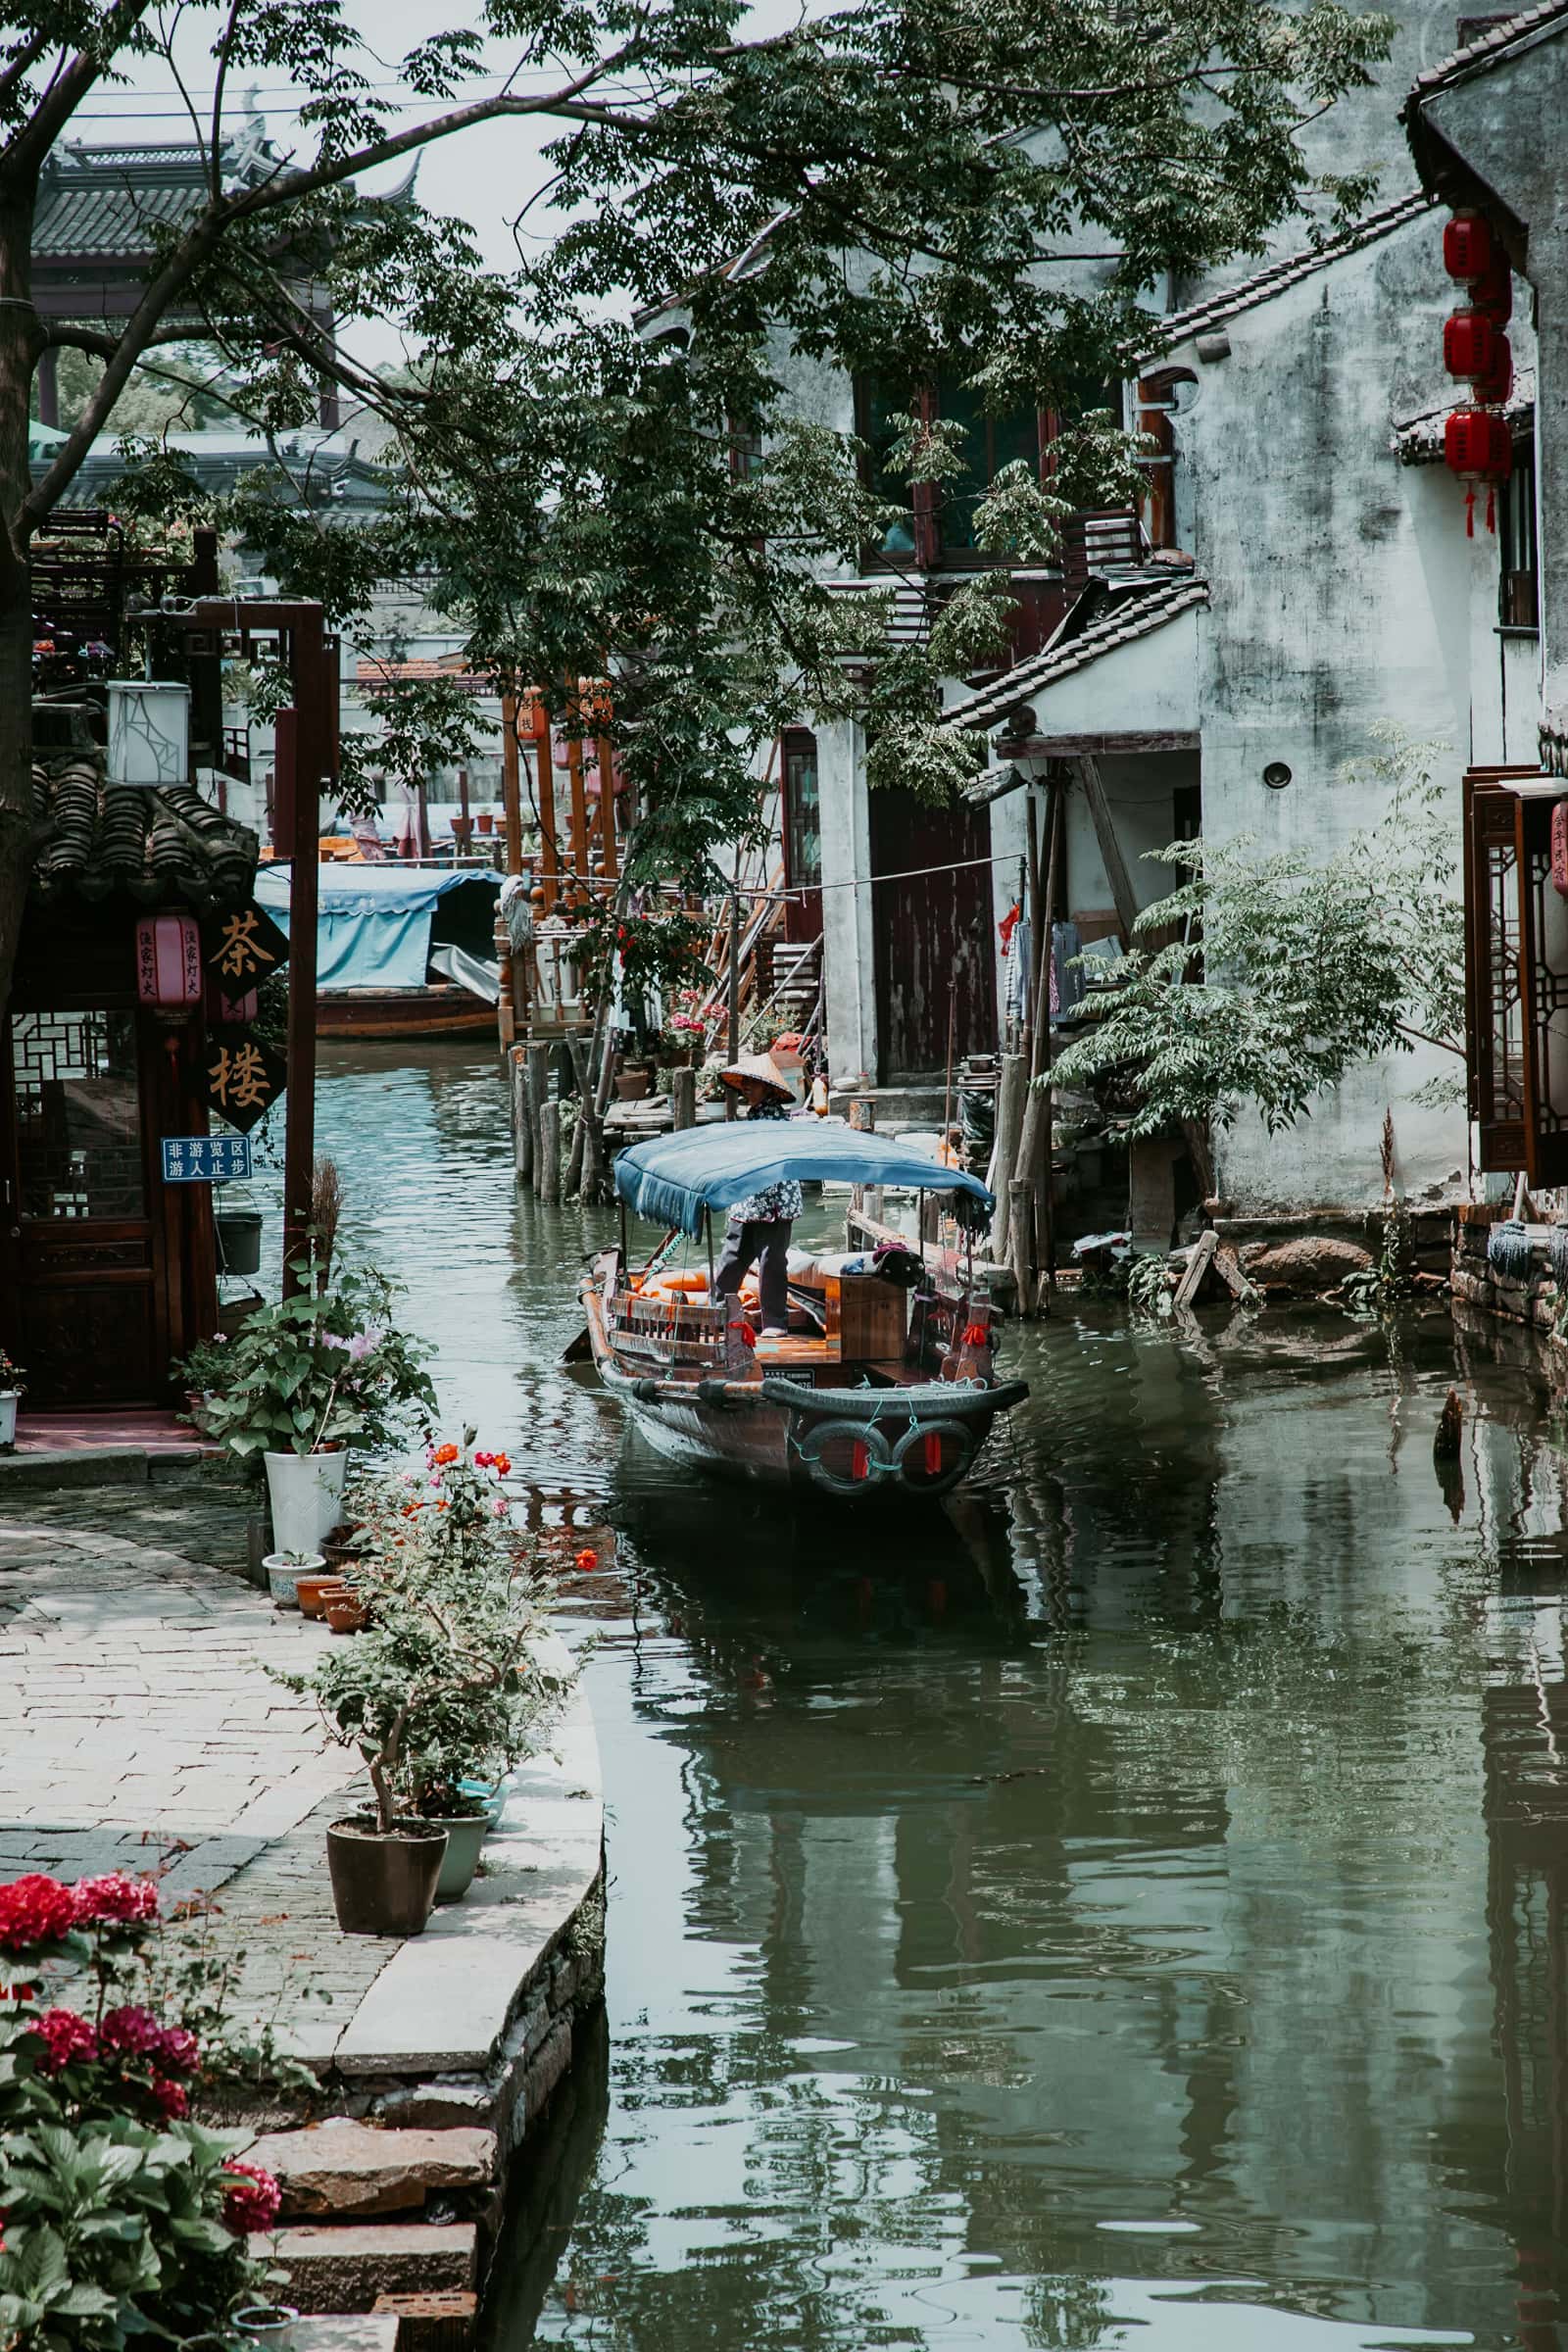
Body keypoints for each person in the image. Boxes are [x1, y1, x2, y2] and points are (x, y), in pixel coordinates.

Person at [712, 1052, 802, 1336]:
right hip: (747, 1202)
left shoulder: (775, 1119)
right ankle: (715, 1312)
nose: (746, 1087)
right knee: (732, 1257)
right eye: (745, 1083)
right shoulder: (752, 1117)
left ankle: (775, 1323)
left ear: (769, 1088)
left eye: (753, 1082)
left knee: (771, 1261)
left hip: (774, 1202)